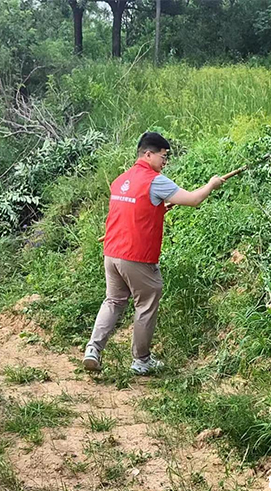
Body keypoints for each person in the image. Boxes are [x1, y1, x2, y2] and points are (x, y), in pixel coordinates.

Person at [83, 132, 226, 375]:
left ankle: (92, 350)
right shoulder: (155, 181)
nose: (165, 162)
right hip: (135, 256)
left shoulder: (120, 180)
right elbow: (193, 200)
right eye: (163, 156)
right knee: (146, 303)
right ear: (148, 154)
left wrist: (158, 208)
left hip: (112, 254)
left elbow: (132, 212)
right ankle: (141, 360)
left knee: (113, 301)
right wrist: (211, 184)